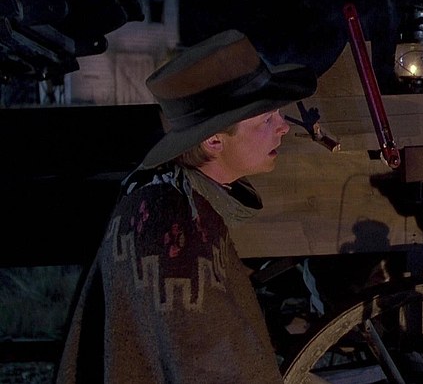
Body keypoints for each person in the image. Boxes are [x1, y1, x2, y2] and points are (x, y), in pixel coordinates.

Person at [56, 29, 317, 383]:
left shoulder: (172, 197)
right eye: (266, 119)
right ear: (214, 141)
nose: (283, 127)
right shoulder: (173, 225)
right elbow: (211, 365)